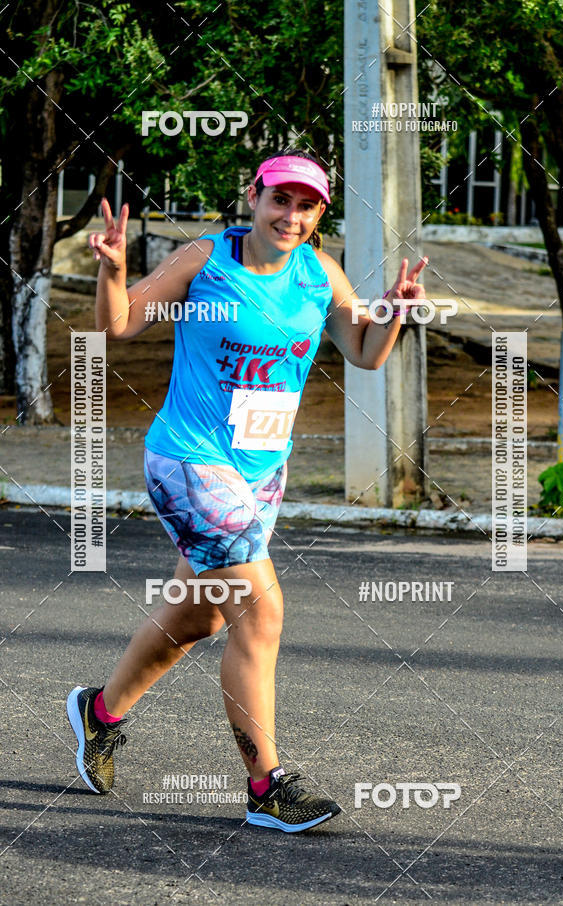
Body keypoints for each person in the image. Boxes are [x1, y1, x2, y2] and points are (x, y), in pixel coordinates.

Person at [67, 149, 427, 833]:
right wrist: (112, 271)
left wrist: (396, 313)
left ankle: (100, 712)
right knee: (260, 613)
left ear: (319, 215)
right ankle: (267, 786)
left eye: (307, 206)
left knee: (200, 617)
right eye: (280, 199)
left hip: (262, 471)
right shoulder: (206, 260)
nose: (291, 215)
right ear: (255, 197)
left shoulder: (319, 273)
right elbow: (118, 325)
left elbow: (364, 351)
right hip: (191, 462)